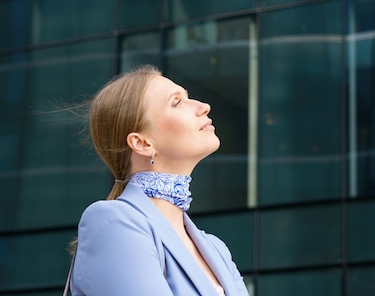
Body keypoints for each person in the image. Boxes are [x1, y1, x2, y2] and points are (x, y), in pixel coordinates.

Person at [69, 65, 249, 296]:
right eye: (177, 102)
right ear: (142, 143)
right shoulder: (111, 222)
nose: (204, 107)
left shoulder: (216, 249)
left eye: (187, 97)